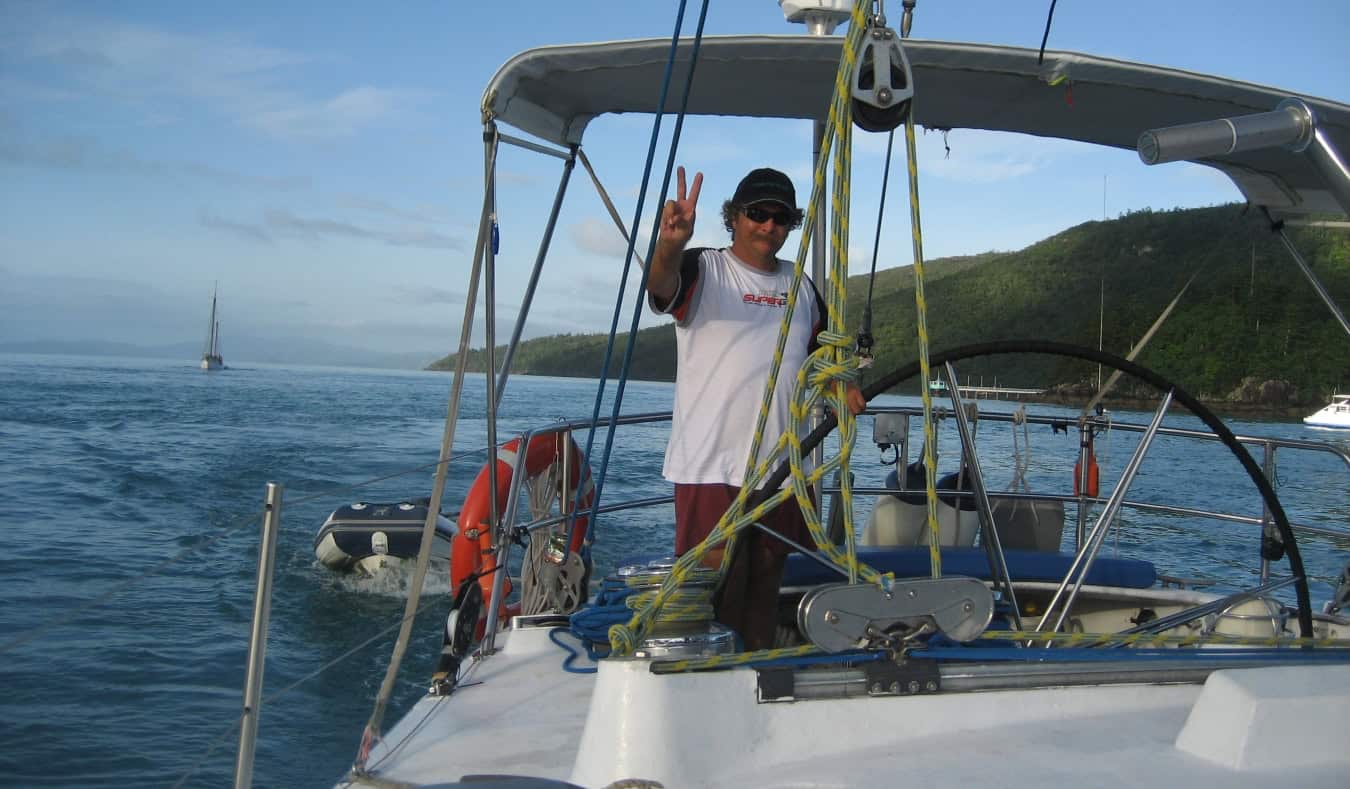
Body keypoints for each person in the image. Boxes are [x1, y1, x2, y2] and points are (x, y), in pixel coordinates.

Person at [646, 165, 865, 650]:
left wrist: (843, 388)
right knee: (713, 585)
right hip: (711, 464)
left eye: (781, 217)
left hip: (783, 467)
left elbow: (823, 361)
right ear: (734, 216)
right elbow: (662, 288)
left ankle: (758, 679)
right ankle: (705, 688)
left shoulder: (803, 286)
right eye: (757, 214)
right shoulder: (703, 267)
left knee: (767, 578)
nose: (769, 226)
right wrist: (669, 243)